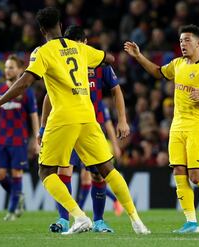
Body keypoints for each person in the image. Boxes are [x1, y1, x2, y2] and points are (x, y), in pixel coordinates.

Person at [0, 7, 150, 235]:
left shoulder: (43, 52)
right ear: (60, 25)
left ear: (42, 30)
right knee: (107, 168)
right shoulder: (81, 48)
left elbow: (24, 83)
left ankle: (79, 217)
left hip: (63, 117)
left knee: (46, 172)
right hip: (88, 116)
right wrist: (95, 58)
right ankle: (136, 221)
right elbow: (109, 58)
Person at [124, 24, 199, 233]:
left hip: (198, 126)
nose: (183, 44)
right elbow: (159, 73)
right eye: (180, 41)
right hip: (177, 125)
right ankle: (191, 222)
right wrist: (138, 57)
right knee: (179, 170)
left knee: (195, 176)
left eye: (187, 40)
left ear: (198, 43)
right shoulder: (177, 64)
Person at [39, 25, 127, 233]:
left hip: (90, 127)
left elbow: (116, 90)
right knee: (64, 170)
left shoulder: (99, 62)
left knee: (97, 175)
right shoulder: (61, 61)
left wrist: (122, 120)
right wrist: (42, 128)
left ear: (85, 44)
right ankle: (64, 219)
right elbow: (48, 97)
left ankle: (98, 220)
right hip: (68, 124)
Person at [0, 54, 40, 221]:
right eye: (6, 67)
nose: (7, 70)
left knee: (16, 173)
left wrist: (36, 138)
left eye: (11, 67)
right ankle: (18, 195)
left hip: (18, 138)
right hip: (1, 138)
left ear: (20, 70)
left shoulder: (27, 92)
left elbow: (33, 115)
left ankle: (13, 209)